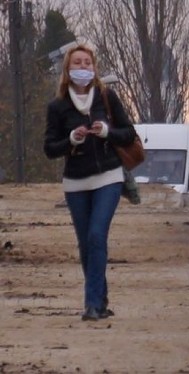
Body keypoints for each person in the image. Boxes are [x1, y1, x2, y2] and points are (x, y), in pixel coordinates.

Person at [43, 44, 138, 321]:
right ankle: (101, 298)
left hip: (108, 176)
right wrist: (71, 139)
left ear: (94, 68)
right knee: (86, 244)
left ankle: (92, 305)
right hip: (75, 183)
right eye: (77, 63)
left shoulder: (107, 97)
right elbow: (49, 148)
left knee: (97, 235)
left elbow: (128, 133)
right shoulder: (58, 106)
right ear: (68, 70)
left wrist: (107, 132)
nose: (83, 67)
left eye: (87, 63)